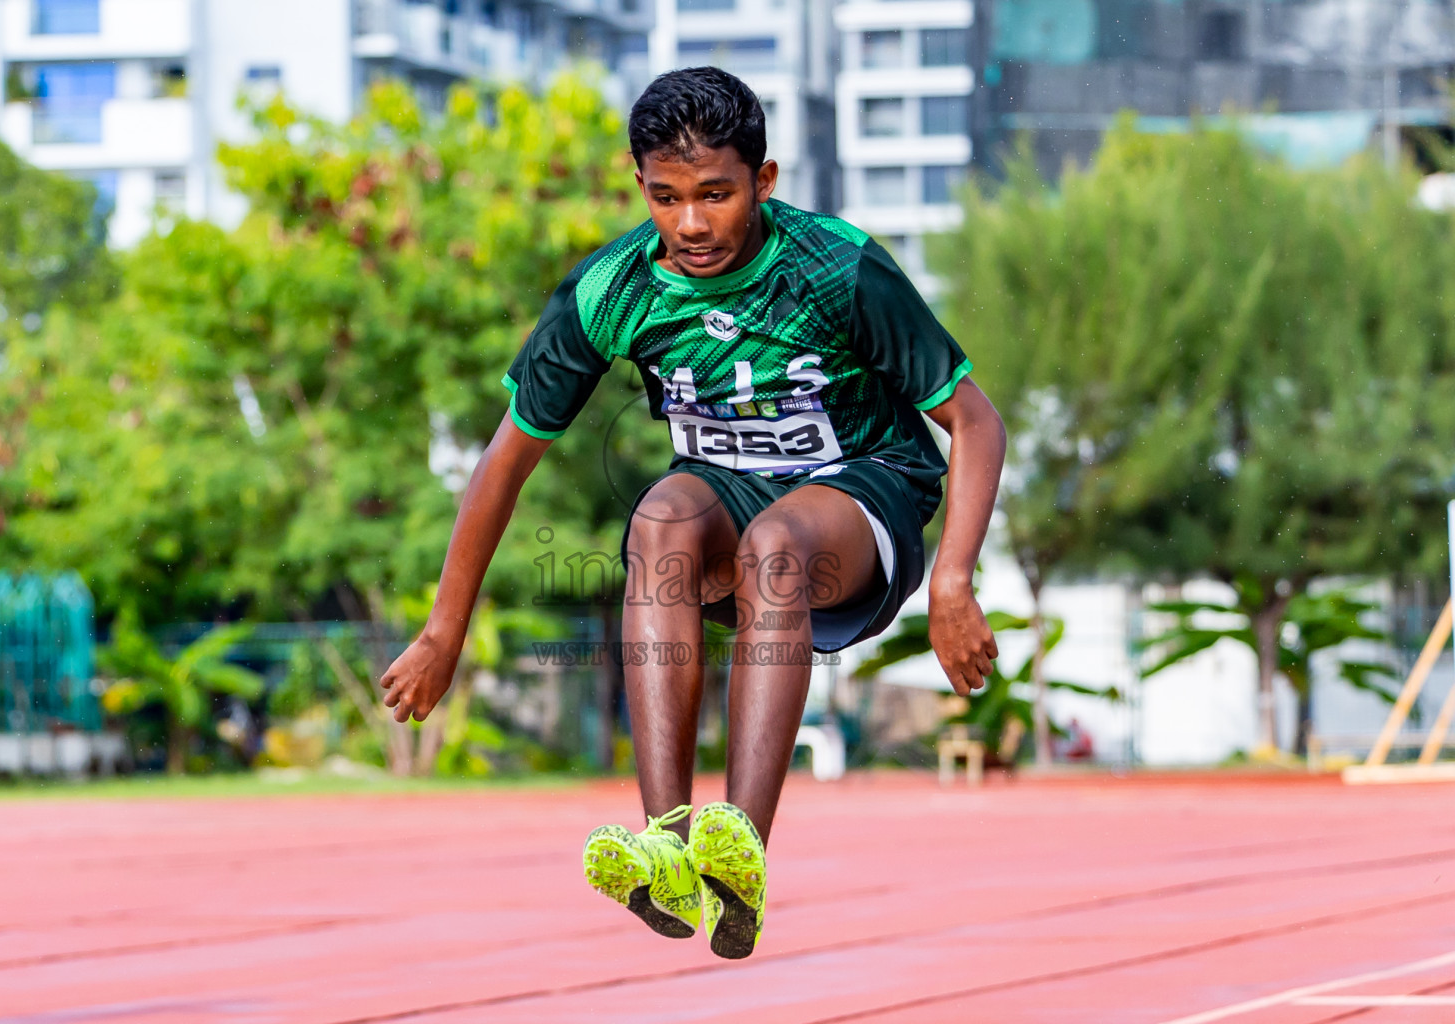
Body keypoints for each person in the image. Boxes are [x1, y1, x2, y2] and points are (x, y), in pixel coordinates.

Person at [378, 66, 1006, 960]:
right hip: (727, 507)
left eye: (716, 194)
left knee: (776, 545)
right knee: (661, 521)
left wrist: (953, 581)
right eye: (668, 199)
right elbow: (502, 463)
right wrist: (444, 630)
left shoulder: (837, 268)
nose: (694, 225)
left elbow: (975, 423)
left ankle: (740, 852)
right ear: (640, 187)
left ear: (765, 182)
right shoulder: (611, 291)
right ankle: (667, 843)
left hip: (867, 497)